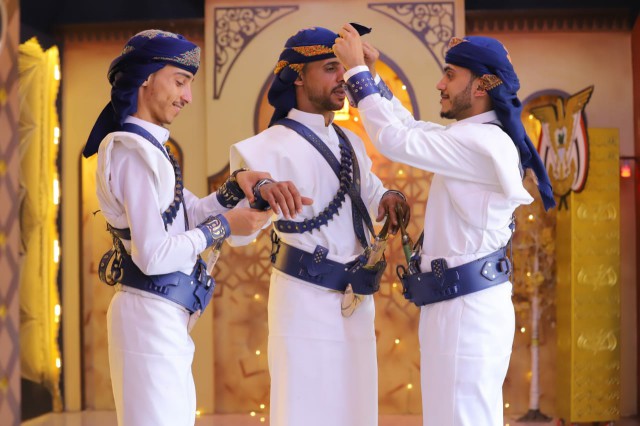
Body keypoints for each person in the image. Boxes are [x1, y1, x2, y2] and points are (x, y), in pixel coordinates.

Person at [82, 29, 309, 426]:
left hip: (165, 314)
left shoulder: (151, 149)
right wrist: (225, 225)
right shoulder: (132, 153)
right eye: (180, 81)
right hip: (148, 313)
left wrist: (234, 188)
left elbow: (189, 214)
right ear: (146, 78)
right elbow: (153, 255)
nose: (187, 96)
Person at [334, 25, 556, 426]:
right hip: (458, 305)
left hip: (465, 310)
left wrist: (355, 72)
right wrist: (373, 77)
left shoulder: (482, 144)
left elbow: (395, 139)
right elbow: (411, 130)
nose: (440, 84)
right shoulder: (473, 137)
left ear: (482, 86)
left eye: (450, 75)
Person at [227, 26, 410, 426]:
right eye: (330, 68)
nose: (343, 77)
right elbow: (238, 233)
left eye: (343, 67)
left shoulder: (352, 142)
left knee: (356, 411)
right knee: (305, 411)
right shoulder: (264, 148)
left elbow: (369, 192)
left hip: (357, 301)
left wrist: (387, 198)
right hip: (303, 301)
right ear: (296, 76)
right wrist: (259, 194)